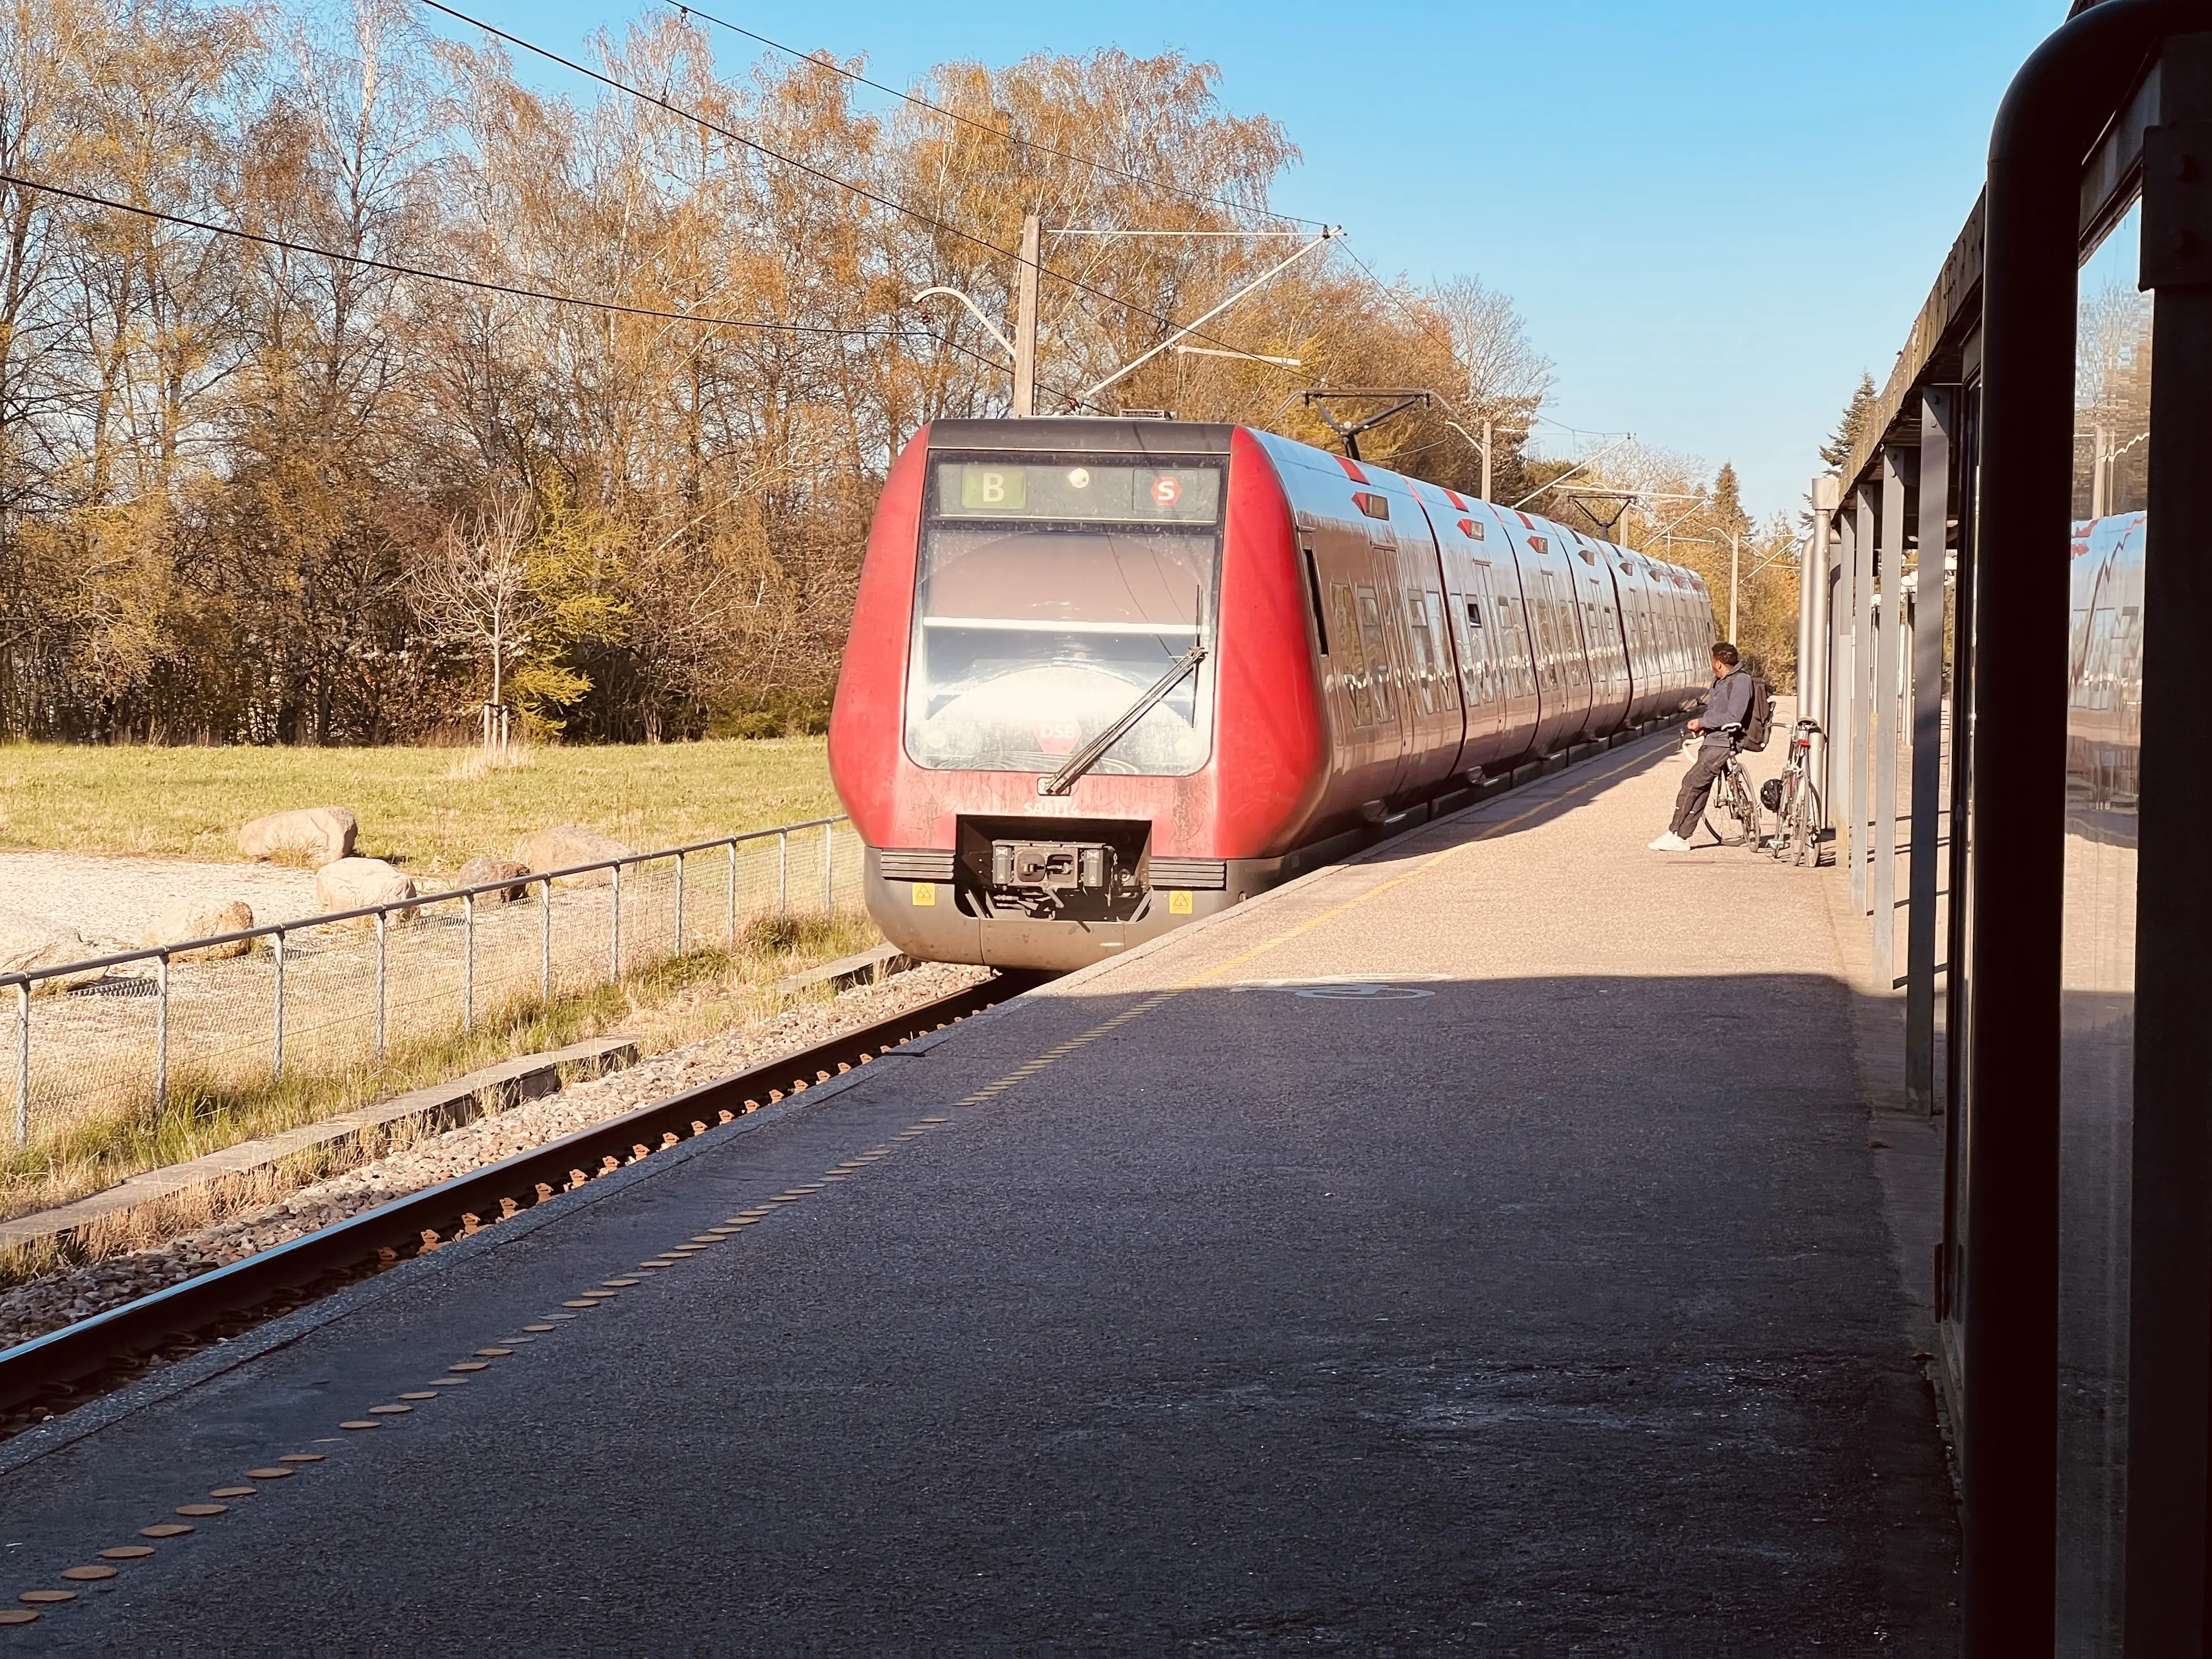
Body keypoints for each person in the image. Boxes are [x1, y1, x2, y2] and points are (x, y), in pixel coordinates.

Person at [1649, 642, 1752, 851]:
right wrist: (1703, 726)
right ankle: (1682, 837)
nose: (1711, 664)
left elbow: (1735, 716)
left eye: (1712, 661)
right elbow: (1715, 711)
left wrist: (1703, 723)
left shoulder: (1741, 682)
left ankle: (1674, 833)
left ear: (1719, 663)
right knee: (1701, 786)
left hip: (1725, 743)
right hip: (1713, 740)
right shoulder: (1719, 682)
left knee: (1691, 782)